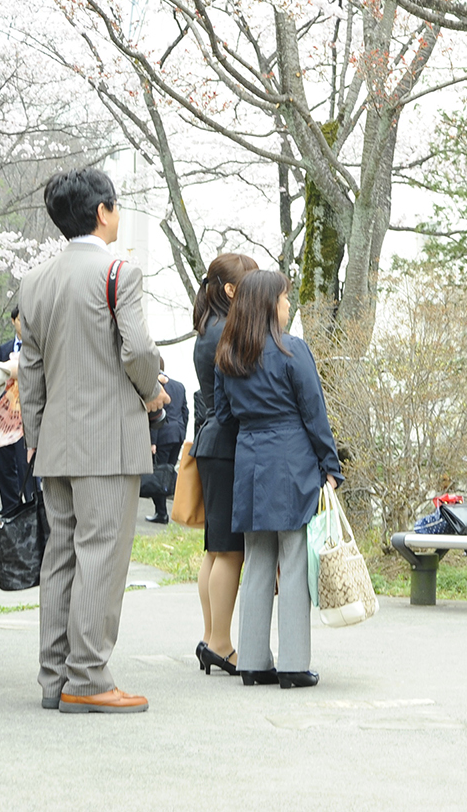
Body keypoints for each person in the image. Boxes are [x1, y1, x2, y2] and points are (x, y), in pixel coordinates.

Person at [16, 167, 168, 714]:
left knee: (60, 558)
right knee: (102, 555)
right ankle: (88, 676)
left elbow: (29, 369)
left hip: (55, 439)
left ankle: (55, 678)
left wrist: (35, 434)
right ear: (103, 212)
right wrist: (152, 391)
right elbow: (138, 350)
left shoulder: (34, 281)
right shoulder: (120, 271)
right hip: (108, 438)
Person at [214, 269, 342, 689]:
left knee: (257, 563)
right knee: (293, 559)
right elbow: (314, 413)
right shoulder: (292, 351)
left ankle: (252, 662)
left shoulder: (228, 354)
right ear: (271, 305)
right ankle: (292, 665)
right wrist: (330, 465)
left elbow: (224, 417)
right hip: (291, 460)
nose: (288, 306)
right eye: (286, 299)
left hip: (250, 461)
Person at [188, 252, 259, 676]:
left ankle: (212, 636)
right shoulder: (224, 333)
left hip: (211, 444)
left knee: (216, 552)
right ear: (232, 290)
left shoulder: (208, 328)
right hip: (227, 445)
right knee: (229, 552)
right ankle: (220, 643)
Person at [0, 310, 34, 518]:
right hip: (6, 415)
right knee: (4, 463)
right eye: (20, 320)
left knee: (25, 464)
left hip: (27, 417)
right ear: (13, 321)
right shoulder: (4, 348)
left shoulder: (36, 348)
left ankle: (32, 509)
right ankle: (10, 511)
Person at [146, 357, 188, 525]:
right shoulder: (179, 386)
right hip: (177, 434)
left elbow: (156, 414)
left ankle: (161, 513)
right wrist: (182, 433)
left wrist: (152, 442)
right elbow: (185, 411)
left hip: (163, 435)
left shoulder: (157, 387)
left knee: (159, 474)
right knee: (169, 472)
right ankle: (168, 511)